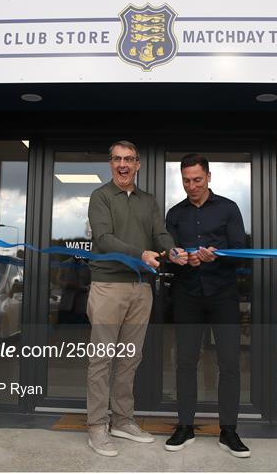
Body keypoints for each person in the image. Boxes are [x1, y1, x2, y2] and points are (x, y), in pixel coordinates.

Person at [86, 140, 187, 457]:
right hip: (107, 286)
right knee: (102, 359)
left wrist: (171, 249)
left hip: (141, 287)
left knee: (130, 357)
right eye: (117, 159)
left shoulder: (148, 200)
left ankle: (123, 420)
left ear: (138, 164)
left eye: (128, 159)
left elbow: (160, 232)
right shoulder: (100, 196)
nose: (123, 164)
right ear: (110, 163)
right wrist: (140, 253)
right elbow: (103, 239)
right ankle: (96, 426)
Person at [164, 153, 251, 458]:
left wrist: (219, 254)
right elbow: (168, 259)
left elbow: (241, 251)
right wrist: (175, 258)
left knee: (229, 363)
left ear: (209, 177)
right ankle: (184, 426)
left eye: (197, 179)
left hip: (223, 295)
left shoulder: (228, 208)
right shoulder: (174, 214)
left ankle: (228, 431)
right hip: (186, 295)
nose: (192, 186)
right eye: (186, 180)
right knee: (185, 363)